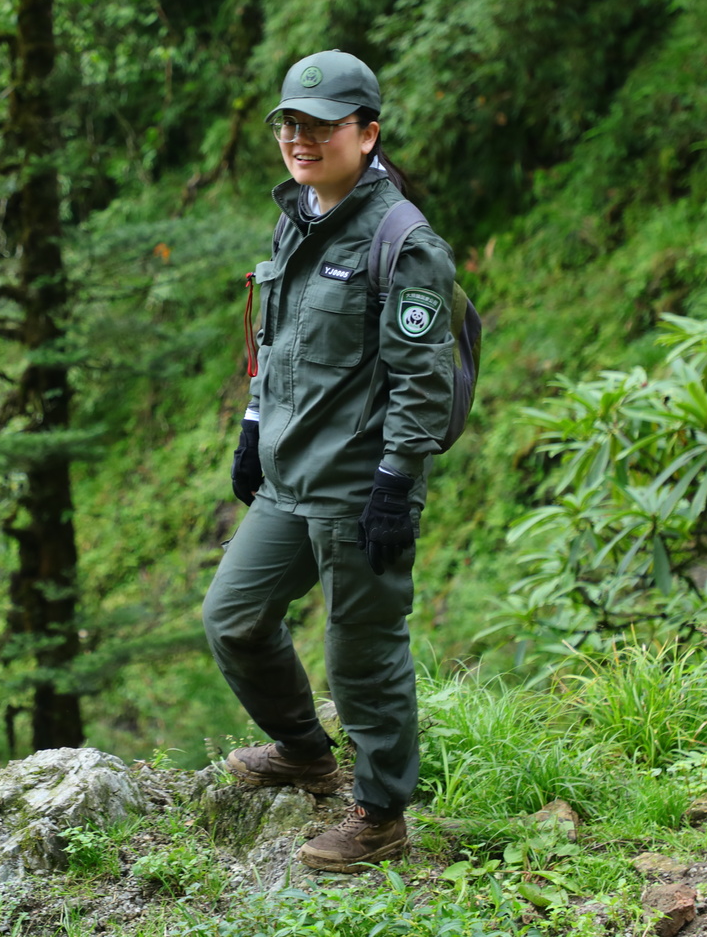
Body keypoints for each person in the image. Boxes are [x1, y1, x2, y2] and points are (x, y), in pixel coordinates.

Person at [202, 50, 457, 873]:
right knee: (233, 617)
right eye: (289, 123)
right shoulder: (298, 215)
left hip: (359, 486)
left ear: (368, 131)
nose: (300, 138)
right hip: (288, 476)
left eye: (320, 125)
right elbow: (275, 342)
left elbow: (422, 381)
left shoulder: (403, 241)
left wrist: (396, 483)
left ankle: (381, 813)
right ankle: (306, 752)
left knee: (363, 653)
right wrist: (251, 424)